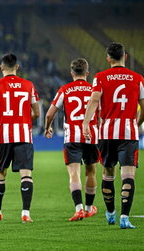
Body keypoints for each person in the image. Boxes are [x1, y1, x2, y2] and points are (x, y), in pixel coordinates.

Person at [83, 42, 144, 229]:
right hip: (128, 132)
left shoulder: (100, 77)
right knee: (128, 175)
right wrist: (138, 123)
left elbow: (94, 100)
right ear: (125, 57)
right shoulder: (137, 78)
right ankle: (125, 218)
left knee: (108, 173)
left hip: (107, 132)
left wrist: (86, 122)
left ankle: (110, 213)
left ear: (108, 58)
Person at [0, 53, 39, 223]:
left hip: (3, 136)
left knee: (0, 174)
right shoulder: (28, 85)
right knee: (26, 175)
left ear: (1, 67)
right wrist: (22, 120)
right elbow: (36, 113)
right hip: (24, 135)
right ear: (17, 67)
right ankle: (25, 213)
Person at [45, 58, 99, 221]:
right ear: (87, 73)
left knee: (74, 172)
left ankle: (78, 209)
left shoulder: (65, 89)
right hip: (91, 135)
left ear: (71, 73)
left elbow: (49, 113)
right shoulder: (94, 90)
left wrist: (48, 127)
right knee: (91, 171)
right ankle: (89, 209)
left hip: (72, 137)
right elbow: (101, 113)